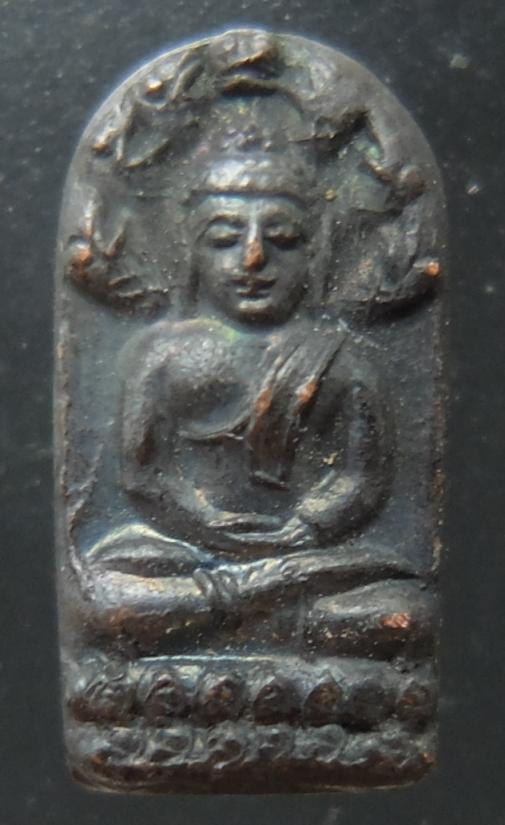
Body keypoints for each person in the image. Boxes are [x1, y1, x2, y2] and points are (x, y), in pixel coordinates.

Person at [84, 150, 426, 655]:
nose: (252, 259)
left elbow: (362, 476)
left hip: (308, 557)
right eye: (224, 239)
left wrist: (305, 528)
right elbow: (144, 477)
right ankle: (267, 607)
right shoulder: (161, 355)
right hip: (185, 555)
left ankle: (237, 609)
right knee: (103, 599)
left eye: (282, 240)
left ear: (314, 254)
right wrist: (203, 525)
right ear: (192, 254)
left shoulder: (344, 360)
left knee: (408, 613)